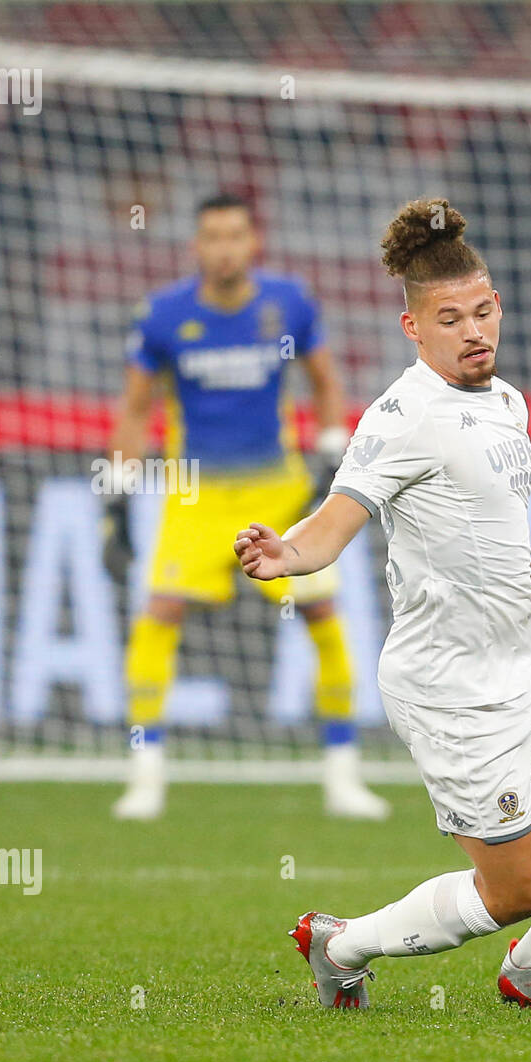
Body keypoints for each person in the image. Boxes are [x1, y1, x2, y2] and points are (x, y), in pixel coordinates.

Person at [235, 198, 531, 1011]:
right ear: (414, 329)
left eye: (482, 312)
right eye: (449, 319)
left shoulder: (506, 403)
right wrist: (284, 554)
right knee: (518, 889)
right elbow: (332, 527)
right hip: (452, 686)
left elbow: (496, 544)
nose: (473, 332)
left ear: (498, 305)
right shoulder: (401, 419)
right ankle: (342, 942)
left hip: (525, 656)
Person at [104, 192, 387, 820]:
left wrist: (331, 452)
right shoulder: (164, 316)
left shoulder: (287, 302)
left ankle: (342, 771)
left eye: (235, 235)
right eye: (212, 237)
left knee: (323, 616)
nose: (224, 248)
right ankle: (146, 770)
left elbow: (323, 380)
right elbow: (134, 408)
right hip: (194, 497)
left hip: (278, 494)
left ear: (252, 242)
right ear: (196, 245)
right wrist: (116, 497)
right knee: (160, 612)